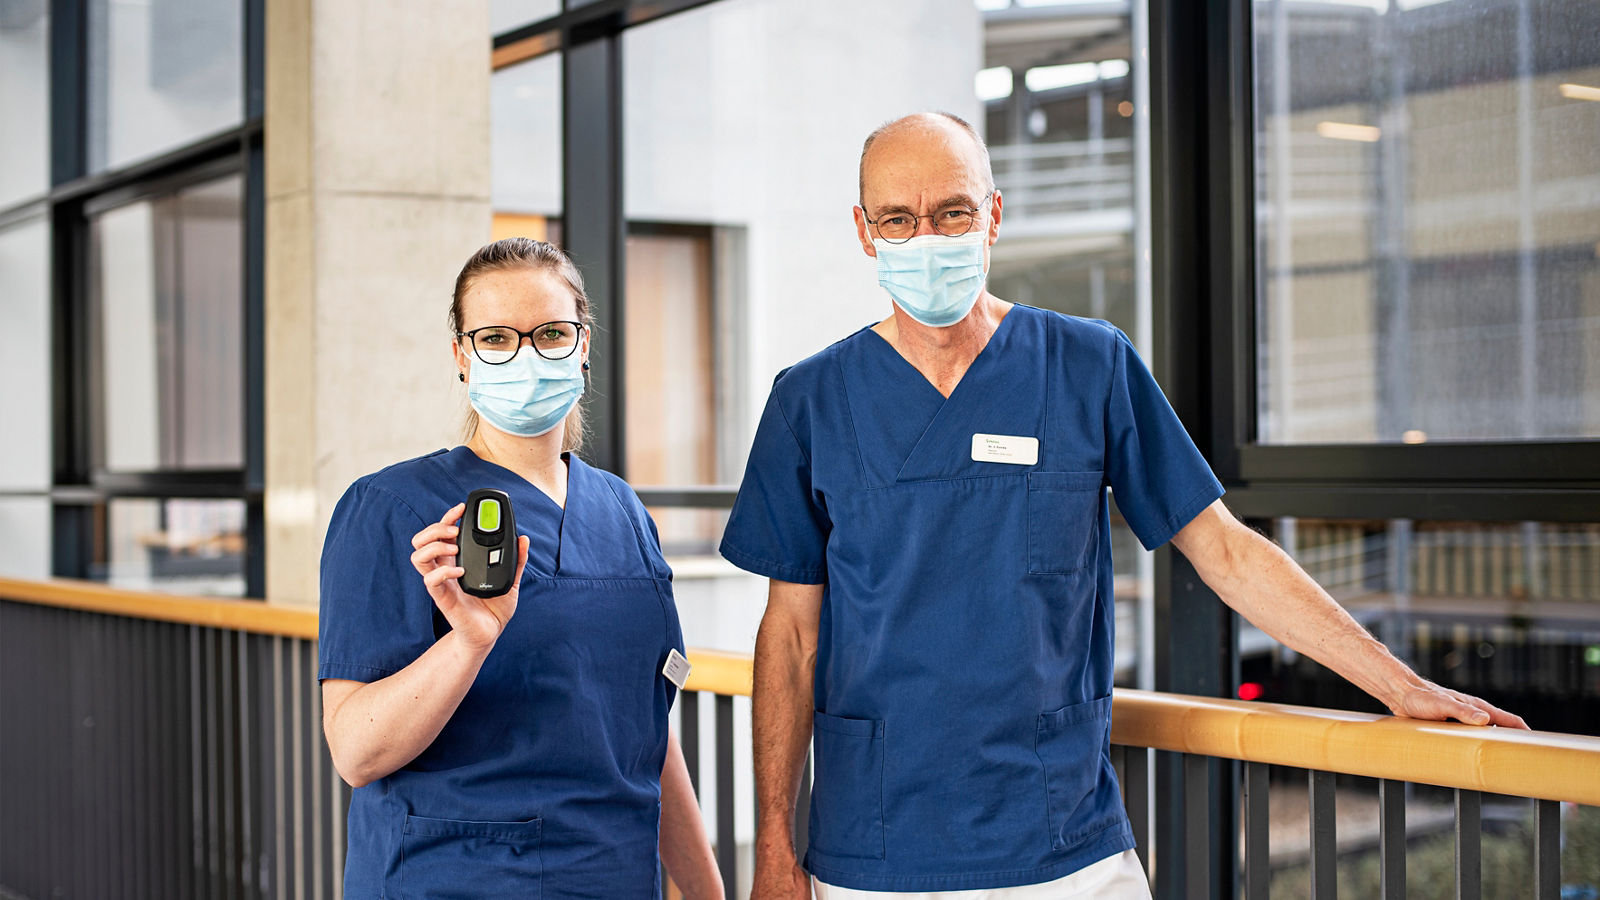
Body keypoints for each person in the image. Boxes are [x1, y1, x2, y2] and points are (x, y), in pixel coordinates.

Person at [718, 113, 1528, 900]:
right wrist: (776, 850)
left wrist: (1397, 684)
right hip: (876, 845)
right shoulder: (811, 400)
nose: (927, 237)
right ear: (865, 232)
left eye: (953, 211)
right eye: (899, 218)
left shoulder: (1088, 365)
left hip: (1063, 837)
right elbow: (789, 635)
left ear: (993, 215)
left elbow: (1225, 550)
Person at [318, 238, 723, 899]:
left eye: (552, 334)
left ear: (584, 345)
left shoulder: (622, 511)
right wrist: (470, 641)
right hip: (454, 879)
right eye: (497, 338)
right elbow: (357, 751)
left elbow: (645, 728)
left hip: (612, 878)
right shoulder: (390, 509)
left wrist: (707, 892)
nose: (527, 355)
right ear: (462, 356)